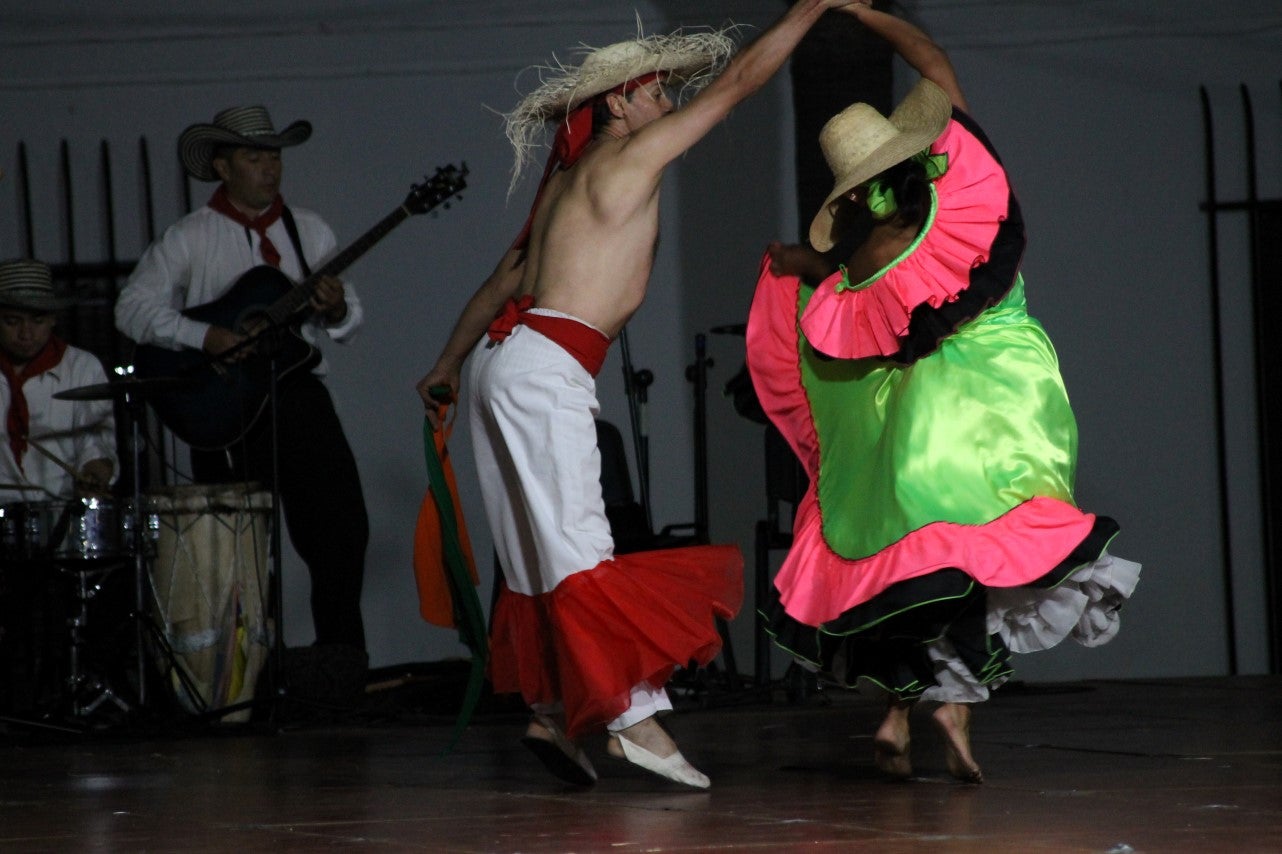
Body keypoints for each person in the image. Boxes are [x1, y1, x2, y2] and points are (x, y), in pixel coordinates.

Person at [417, 0, 864, 789]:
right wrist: (807, 12)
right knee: (581, 549)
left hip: (504, 363)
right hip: (543, 365)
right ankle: (638, 722)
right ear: (618, 102)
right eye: (657, 92)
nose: (670, 104)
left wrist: (449, 364)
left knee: (533, 559)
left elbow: (502, 281)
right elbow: (738, 87)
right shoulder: (628, 158)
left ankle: (553, 714)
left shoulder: (564, 182)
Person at [745, 6, 1141, 783]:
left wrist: (794, 263)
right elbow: (930, 61)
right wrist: (864, 11)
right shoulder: (957, 199)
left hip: (917, 402)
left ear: (853, 193)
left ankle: (905, 709)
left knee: (913, 550)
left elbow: (847, 309)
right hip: (997, 382)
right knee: (985, 534)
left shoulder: (863, 256)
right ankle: (944, 705)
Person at [115, 106, 370, 661]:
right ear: (223, 167)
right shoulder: (189, 236)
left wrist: (334, 308)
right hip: (222, 407)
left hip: (298, 398)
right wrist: (202, 336)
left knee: (340, 532)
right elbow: (130, 309)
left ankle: (342, 665)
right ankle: (246, 671)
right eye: (255, 156)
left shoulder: (311, 230)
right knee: (237, 551)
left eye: (274, 155)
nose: (269, 168)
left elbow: (348, 324)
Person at [1, 259, 115, 505]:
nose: (25, 334)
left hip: (60, 515)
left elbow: (96, 442)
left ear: (53, 319)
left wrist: (94, 474)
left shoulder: (83, 367)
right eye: (12, 322)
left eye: (37, 321)